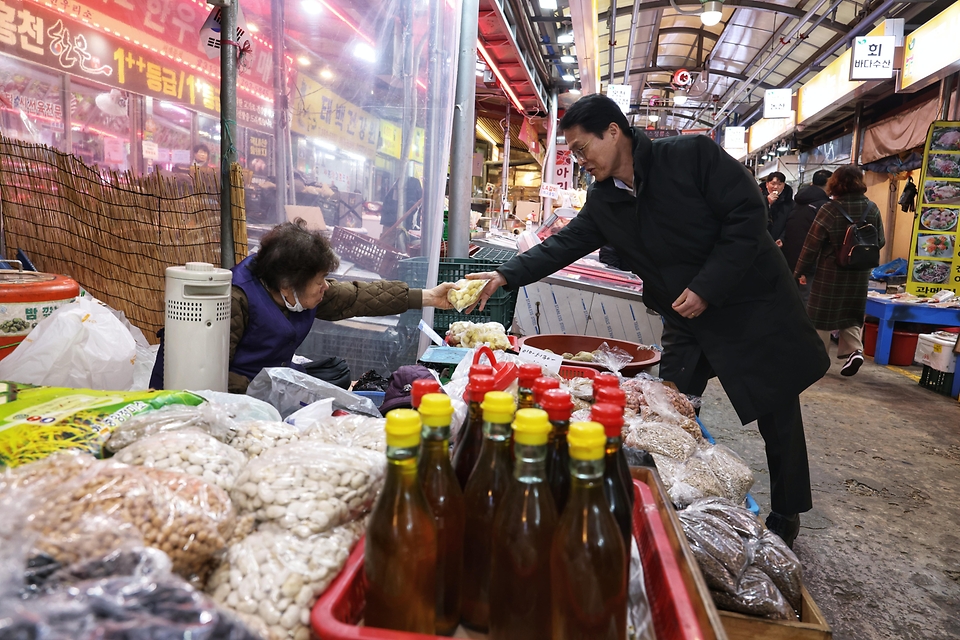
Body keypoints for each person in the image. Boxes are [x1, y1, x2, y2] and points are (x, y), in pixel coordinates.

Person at [467, 93, 829, 547]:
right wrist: (505, 273)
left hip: (748, 305)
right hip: (685, 317)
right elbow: (564, 244)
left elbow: (747, 216)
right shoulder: (604, 200)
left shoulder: (691, 156)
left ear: (613, 132)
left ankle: (786, 513)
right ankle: (678, 504)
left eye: (582, 149)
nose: (580, 162)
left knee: (777, 411)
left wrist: (707, 287)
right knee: (666, 407)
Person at [149, 219, 456, 393]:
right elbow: (210, 380)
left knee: (335, 373)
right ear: (288, 283)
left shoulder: (297, 292)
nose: (326, 286)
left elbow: (357, 295)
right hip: (226, 394)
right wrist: (270, 396)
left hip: (268, 379)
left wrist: (429, 297)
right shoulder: (233, 301)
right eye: (321, 279)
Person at [794, 165, 885, 378]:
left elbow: (811, 245)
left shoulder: (829, 209)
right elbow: (880, 241)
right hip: (859, 272)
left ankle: (817, 360)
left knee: (820, 316)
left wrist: (798, 272)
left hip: (830, 271)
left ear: (835, 183)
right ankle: (855, 351)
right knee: (851, 313)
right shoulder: (871, 208)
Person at [782, 169, 833, 307]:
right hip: (812, 265)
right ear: (829, 183)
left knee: (795, 301)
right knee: (809, 303)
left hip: (792, 261)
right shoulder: (824, 206)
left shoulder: (798, 203)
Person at [765, 172, 794, 246]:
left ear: (784, 186)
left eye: (779, 184)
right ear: (767, 184)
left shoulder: (790, 203)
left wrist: (782, 238)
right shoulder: (758, 199)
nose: (775, 187)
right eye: (773, 183)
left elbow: (790, 223)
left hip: (778, 243)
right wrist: (767, 203)